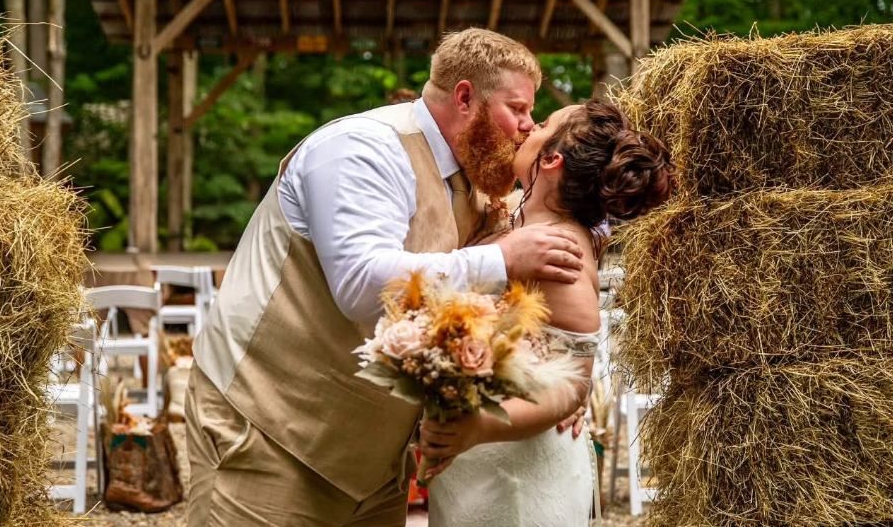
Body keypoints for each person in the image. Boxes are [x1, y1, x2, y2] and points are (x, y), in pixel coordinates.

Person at [185, 28, 587, 527]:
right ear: (465, 98)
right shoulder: (361, 148)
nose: (526, 127)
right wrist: (503, 258)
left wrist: (552, 387)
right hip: (269, 433)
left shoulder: (482, 182)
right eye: (519, 109)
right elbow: (360, 285)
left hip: (376, 464)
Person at [420, 99, 675, 527]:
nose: (527, 128)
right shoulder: (513, 214)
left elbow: (573, 385)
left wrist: (477, 428)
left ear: (552, 158)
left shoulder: (562, 255)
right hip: (476, 465)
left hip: (517, 470)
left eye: (540, 124)